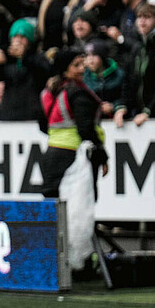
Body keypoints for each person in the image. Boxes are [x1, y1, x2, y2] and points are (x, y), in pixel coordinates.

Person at [39, 49, 109, 198]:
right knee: (79, 210)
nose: (82, 69)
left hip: (51, 155)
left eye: (82, 64)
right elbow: (86, 129)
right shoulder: (78, 93)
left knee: (55, 209)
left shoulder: (49, 92)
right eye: (76, 65)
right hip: (75, 158)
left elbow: (42, 124)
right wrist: (101, 156)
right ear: (65, 69)